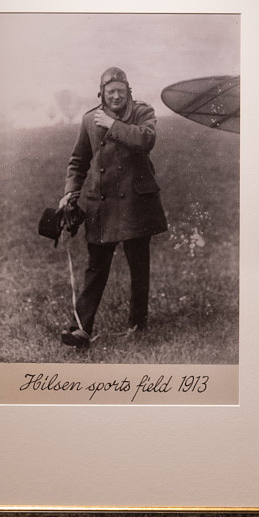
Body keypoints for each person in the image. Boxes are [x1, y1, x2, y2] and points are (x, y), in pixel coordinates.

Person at [58, 65, 168, 348]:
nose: (116, 96)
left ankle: (138, 323)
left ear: (128, 91)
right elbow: (78, 162)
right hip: (100, 205)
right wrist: (70, 192)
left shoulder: (143, 112)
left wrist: (113, 125)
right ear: (102, 94)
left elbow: (146, 140)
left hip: (135, 202)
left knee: (138, 264)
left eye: (120, 91)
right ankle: (80, 328)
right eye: (111, 92)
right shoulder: (88, 120)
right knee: (96, 267)